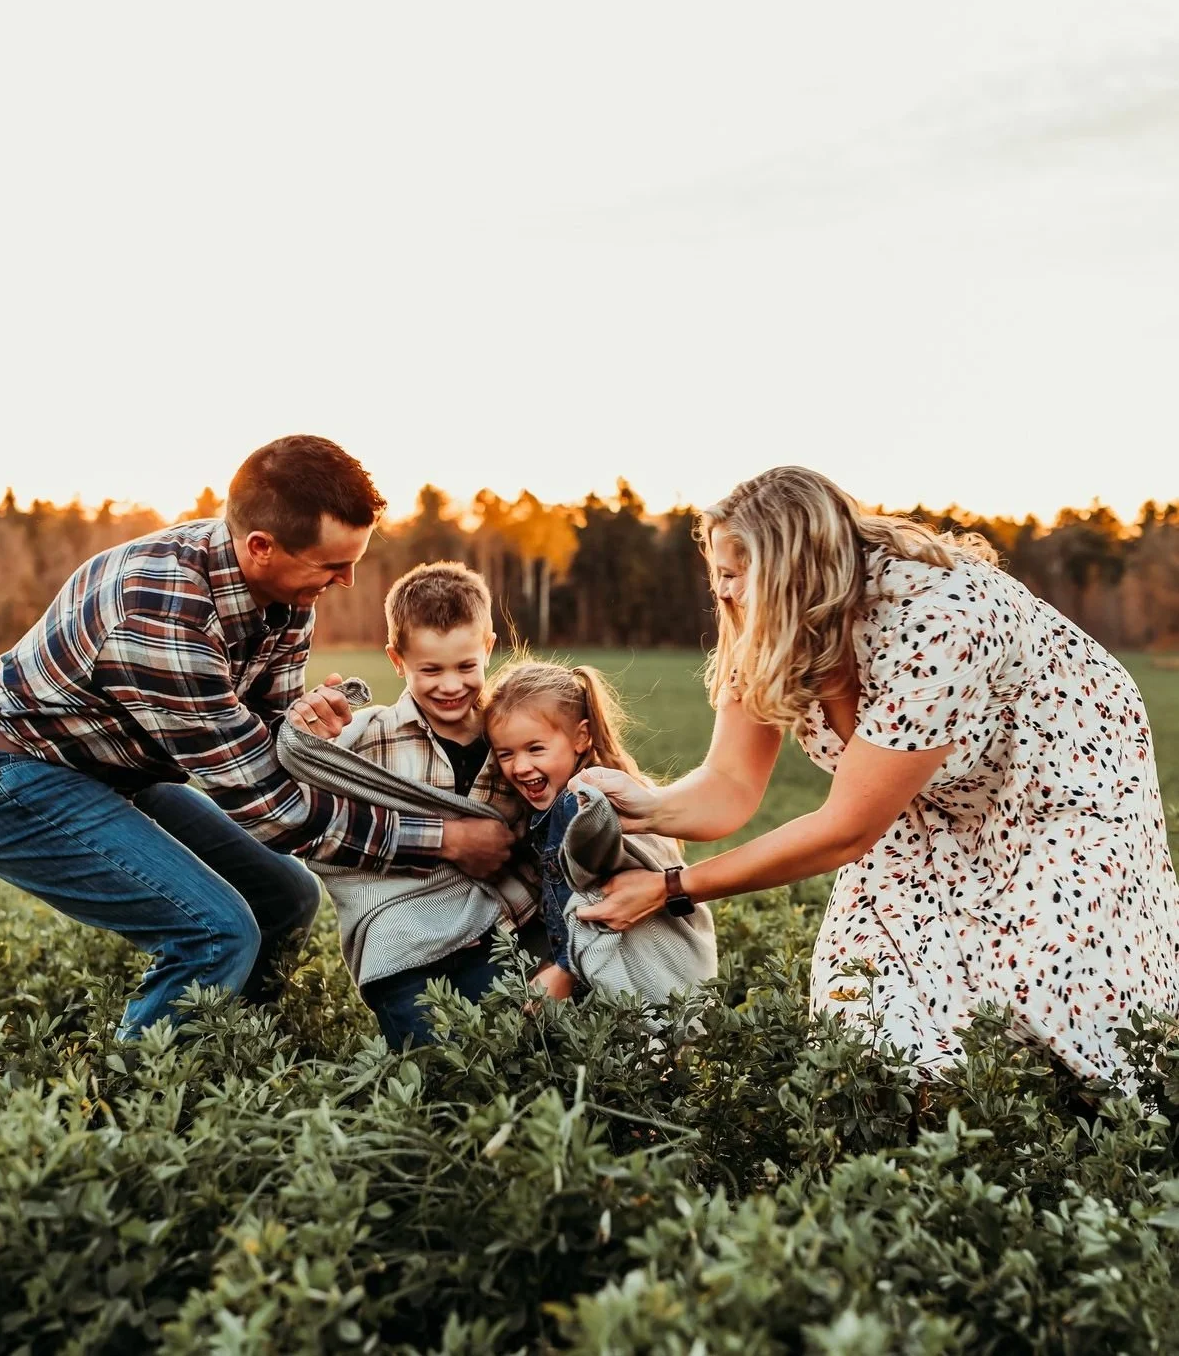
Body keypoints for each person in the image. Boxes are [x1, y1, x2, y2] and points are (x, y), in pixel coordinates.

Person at [573, 465, 1179, 1088]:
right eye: (717, 573)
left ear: (790, 577)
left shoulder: (934, 618)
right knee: (865, 980)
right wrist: (641, 808)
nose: (721, 593)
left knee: (1047, 983)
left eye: (733, 575)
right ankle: (925, 1119)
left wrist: (673, 886)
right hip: (918, 792)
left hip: (1059, 772)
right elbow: (727, 785)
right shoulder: (766, 632)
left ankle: (1089, 1137)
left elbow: (846, 832)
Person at [0, 436, 512, 1039]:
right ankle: (139, 1098)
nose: (347, 579)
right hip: (3, 776)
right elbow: (274, 812)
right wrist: (443, 840)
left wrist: (307, 731)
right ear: (261, 546)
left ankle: (238, 1051)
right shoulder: (161, 617)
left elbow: (277, 742)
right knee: (215, 930)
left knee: (285, 897)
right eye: (333, 564)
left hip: (107, 772)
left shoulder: (285, 592)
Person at [290, 562, 546, 1049]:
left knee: (518, 1058)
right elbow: (312, 816)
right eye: (430, 669)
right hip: (401, 950)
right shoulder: (366, 739)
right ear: (396, 659)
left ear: (488, 648)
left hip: (494, 939)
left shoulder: (511, 737)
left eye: (465, 666)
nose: (450, 685)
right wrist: (310, 735)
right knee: (440, 1076)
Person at [482, 659, 715, 1007]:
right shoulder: (610, 786)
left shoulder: (578, 808)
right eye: (506, 754)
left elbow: (591, 900)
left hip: (630, 980)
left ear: (581, 737)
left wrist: (562, 969)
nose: (520, 766)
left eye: (535, 748)